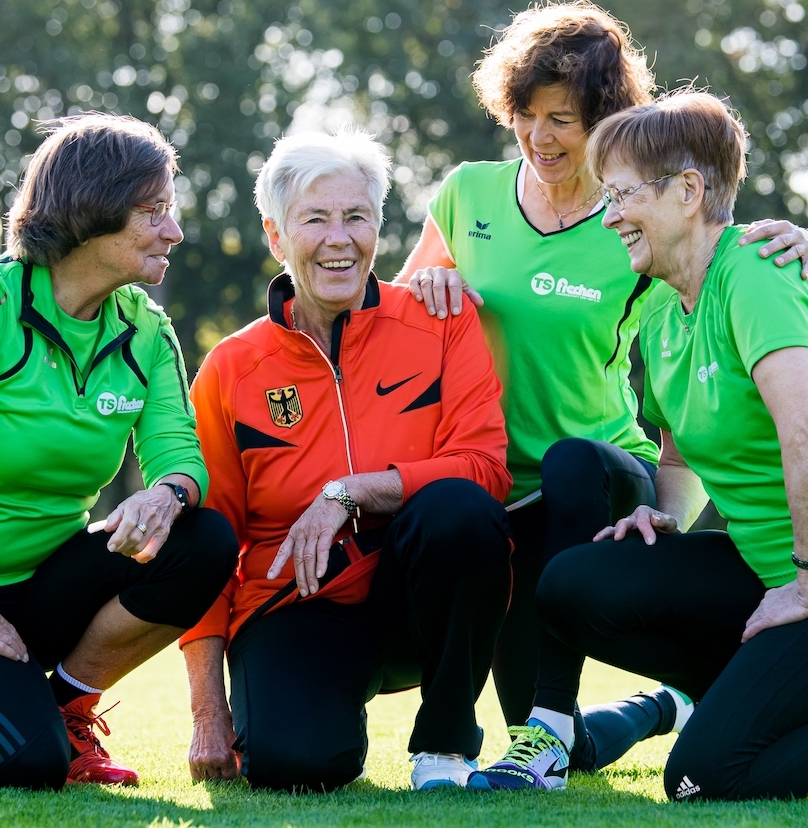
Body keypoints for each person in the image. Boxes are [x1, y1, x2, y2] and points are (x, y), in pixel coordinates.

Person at [395, 0, 808, 791]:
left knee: (686, 774)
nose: (541, 136)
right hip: (495, 485)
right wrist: (423, 282)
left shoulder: (674, 244)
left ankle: (582, 723)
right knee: (558, 662)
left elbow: (766, 401)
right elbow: (407, 319)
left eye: (563, 118)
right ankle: (664, 705)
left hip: (594, 480)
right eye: (526, 114)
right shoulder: (472, 198)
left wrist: (803, 572)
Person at [180, 130, 514, 792]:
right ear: (277, 238)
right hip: (293, 604)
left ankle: (446, 749)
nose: (340, 238)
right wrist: (207, 714)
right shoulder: (231, 369)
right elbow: (210, 544)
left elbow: (486, 468)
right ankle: (319, 714)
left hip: (414, 600)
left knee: (460, 509)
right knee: (294, 767)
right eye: (316, 219)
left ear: (378, 228)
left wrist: (353, 491)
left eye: (356, 217)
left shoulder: (440, 320)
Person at [534, 89, 808, 801]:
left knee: (702, 778)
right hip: (766, 571)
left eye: (623, 196)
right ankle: (744, 693)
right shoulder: (665, 311)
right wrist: (661, 514)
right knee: (574, 585)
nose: (610, 216)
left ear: (689, 191)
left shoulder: (755, 275)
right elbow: (675, 455)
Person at [0, 113, 238, 791]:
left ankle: (65, 711)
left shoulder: (145, 330)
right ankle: (42, 738)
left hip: (42, 589)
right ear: (91, 210)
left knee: (201, 537)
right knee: (31, 769)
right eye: (153, 211)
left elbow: (179, 454)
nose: (175, 230)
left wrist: (165, 494)